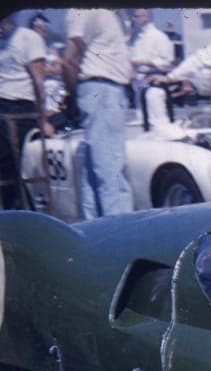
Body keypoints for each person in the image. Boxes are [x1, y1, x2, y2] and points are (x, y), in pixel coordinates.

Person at [61, 8, 132, 218]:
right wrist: (73, 94)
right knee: (111, 168)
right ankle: (120, 228)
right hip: (102, 89)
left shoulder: (114, 15)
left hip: (104, 89)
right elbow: (69, 60)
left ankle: (94, 224)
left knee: (96, 167)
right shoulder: (87, 10)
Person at [0, 12, 54, 210]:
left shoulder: (28, 38)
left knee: (10, 165)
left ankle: (14, 210)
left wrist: (43, 118)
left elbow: (38, 82)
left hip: (20, 107)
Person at [129, 9, 175, 111]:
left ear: (146, 18)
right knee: (140, 113)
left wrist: (142, 62)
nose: (133, 19)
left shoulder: (158, 37)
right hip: (138, 81)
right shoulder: (136, 38)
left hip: (154, 81)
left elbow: (167, 61)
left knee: (155, 112)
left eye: (136, 16)